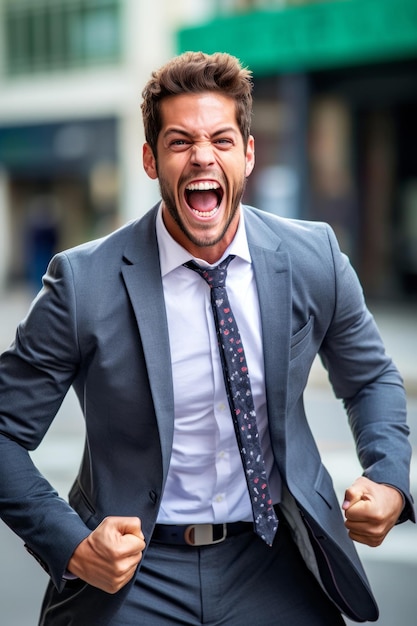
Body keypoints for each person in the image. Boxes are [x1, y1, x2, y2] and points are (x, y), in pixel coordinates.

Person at [0, 51, 414, 626]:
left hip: (275, 557)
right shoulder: (83, 283)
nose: (202, 156)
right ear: (150, 159)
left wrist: (390, 476)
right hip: (136, 574)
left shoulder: (312, 256)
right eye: (179, 142)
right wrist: (71, 544)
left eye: (221, 139)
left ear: (248, 154)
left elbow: (370, 378)